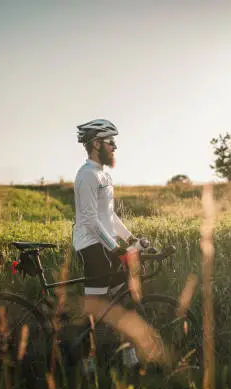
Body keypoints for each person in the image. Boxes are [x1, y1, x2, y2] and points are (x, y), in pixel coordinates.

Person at [72, 118, 139, 370]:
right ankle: (87, 365)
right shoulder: (87, 175)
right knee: (95, 310)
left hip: (105, 244)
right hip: (92, 245)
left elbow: (108, 215)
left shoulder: (104, 174)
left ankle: (128, 357)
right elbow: (89, 219)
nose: (115, 147)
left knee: (124, 298)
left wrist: (129, 238)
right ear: (97, 144)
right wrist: (113, 246)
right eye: (111, 142)